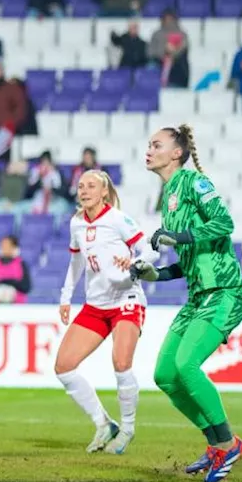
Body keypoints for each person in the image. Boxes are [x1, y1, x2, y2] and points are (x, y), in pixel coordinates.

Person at [130, 125, 242, 482]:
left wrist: (178, 235)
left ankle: (228, 444)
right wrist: (157, 276)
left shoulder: (195, 183)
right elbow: (189, 259)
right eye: (148, 144)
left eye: (156, 145)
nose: (148, 150)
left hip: (224, 291)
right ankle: (215, 443)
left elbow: (225, 223)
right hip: (198, 296)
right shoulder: (168, 196)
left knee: (186, 364)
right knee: (165, 374)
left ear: (176, 153)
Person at [55, 170, 155, 456]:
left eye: (91, 186)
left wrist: (135, 261)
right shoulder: (76, 223)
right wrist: (66, 296)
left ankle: (127, 428)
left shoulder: (117, 219)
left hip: (126, 297)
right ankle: (103, 423)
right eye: (81, 186)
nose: (84, 190)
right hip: (96, 304)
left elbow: (150, 250)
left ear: (103, 192)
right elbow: (75, 261)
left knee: (121, 362)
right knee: (64, 366)